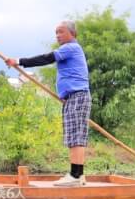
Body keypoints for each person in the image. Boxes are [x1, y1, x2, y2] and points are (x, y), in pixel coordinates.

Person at [6, 20, 90, 187]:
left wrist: (19, 60)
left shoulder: (71, 47)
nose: (58, 35)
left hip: (78, 95)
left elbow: (47, 58)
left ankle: (75, 176)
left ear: (72, 34)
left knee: (76, 137)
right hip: (71, 97)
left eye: (61, 32)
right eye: (56, 33)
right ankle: (77, 175)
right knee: (73, 136)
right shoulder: (70, 49)